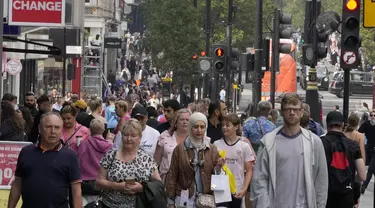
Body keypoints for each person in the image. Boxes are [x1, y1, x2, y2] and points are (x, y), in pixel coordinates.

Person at [250, 93, 328, 208]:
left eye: (295, 109)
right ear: (282, 112)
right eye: (288, 109)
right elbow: (259, 179)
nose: (292, 113)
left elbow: (321, 181)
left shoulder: (314, 142)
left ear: (302, 112)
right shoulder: (269, 142)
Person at [8, 112, 82, 208]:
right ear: (40, 128)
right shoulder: (26, 152)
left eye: (57, 127)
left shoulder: (70, 156)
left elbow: (76, 191)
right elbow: (17, 184)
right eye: (48, 127)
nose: (53, 131)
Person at [95, 119, 161, 208]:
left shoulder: (147, 158)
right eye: (125, 135)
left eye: (133, 135)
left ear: (140, 137)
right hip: (109, 205)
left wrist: (142, 188)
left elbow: (158, 184)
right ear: (121, 136)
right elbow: (98, 182)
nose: (128, 139)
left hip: (139, 205)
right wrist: (116, 186)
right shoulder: (111, 155)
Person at [166, 112, 224, 207]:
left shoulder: (212, 149)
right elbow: (172, 175)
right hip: (184, 199)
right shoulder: (180, 149)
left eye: (202, 127)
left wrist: (218, 168)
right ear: (190, 127)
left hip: (205, 200)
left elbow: (216, 180)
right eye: (195, 126)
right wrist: (170, 201)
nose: (199, 130)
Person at [321, 111, 366, 208]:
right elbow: (362, 176)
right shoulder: (353, 145)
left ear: (327, 124)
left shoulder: (320, 143)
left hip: (326, 196)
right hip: (346, 196)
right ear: (343, 125)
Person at [214, 114, 255, 208]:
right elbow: (213, 168)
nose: (224, 128)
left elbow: (249, 170)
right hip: (220, 189)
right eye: (223, 125)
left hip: (237, 189)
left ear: (236, 126)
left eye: (227, 125)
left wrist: (245, 188)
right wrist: (218, 165)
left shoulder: (244, 146)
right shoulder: (216, 144)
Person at [78, 119, 113, 206]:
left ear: (90, 129)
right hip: (103, 182)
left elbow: (78, 161)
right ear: (103, 130)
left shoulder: (84, 143)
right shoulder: (110, 145)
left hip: (86, 182)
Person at [154, 109, 191, 181]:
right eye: (182, 119)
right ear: (176, 122)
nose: (184, 122)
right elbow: (155, 162)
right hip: (166, 179)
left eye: (187, 120)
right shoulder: (164, 136)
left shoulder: (194, 138)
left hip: (187, 181)